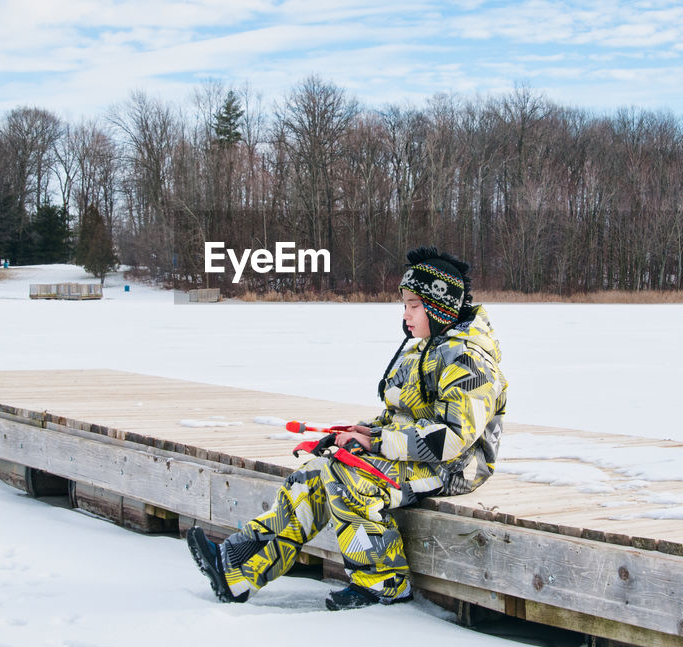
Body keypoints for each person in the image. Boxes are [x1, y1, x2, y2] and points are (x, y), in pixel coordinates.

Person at [187, 246, 509, 610]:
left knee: (349, 474)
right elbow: (401, 415)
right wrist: (361, 433)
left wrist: (377, 445)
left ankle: (383, 582)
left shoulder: (468, 360)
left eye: (413, 306)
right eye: (403, 305)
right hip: (417, 452)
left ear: (439, 307)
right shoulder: (425, 348)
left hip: (456, 466)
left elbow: (452, 439)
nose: (405, 315)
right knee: (315, 473)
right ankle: (236, 567)